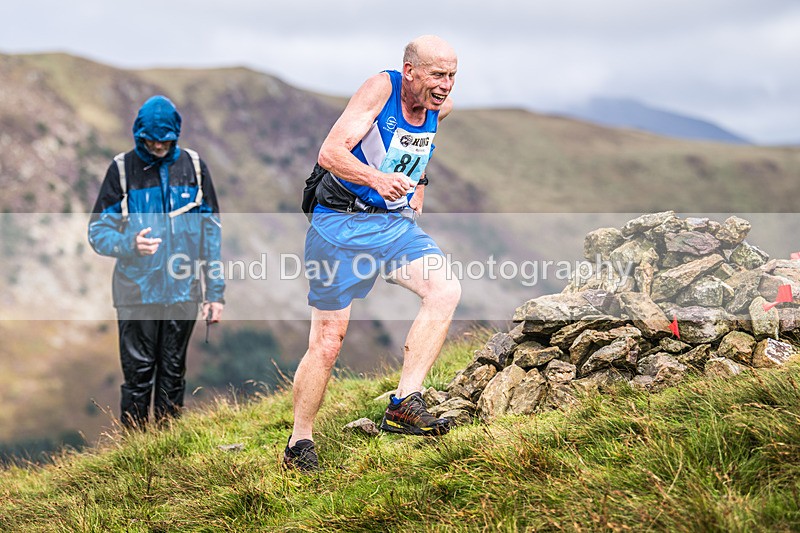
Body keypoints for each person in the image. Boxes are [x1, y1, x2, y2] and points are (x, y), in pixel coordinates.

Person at [285, 35, 461, 471]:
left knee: (444, 289)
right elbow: (330, 152)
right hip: (338, 223)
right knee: (328, 342)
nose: (446, 85)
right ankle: (298, 444)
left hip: (389, 225)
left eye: (453, 75)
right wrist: (376, 179)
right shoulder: (381, 88)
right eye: (438, 75)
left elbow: (422, 149)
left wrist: (418, 187)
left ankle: (404, 404)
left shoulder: (440, 107)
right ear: (411, 70)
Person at [88, 95, 225, 429]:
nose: (158, 146)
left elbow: (211, 232)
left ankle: (166, 446)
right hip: (136, 293)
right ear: (140, 135)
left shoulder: (194, 166)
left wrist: (215, 293)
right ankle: (135, 450)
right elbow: (97, 231)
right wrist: (129, 244)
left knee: (173, 373)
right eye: (151, 140)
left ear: (175, 135)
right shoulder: (122, 169)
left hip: (183, 291)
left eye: (165, 140)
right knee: (138, 376)